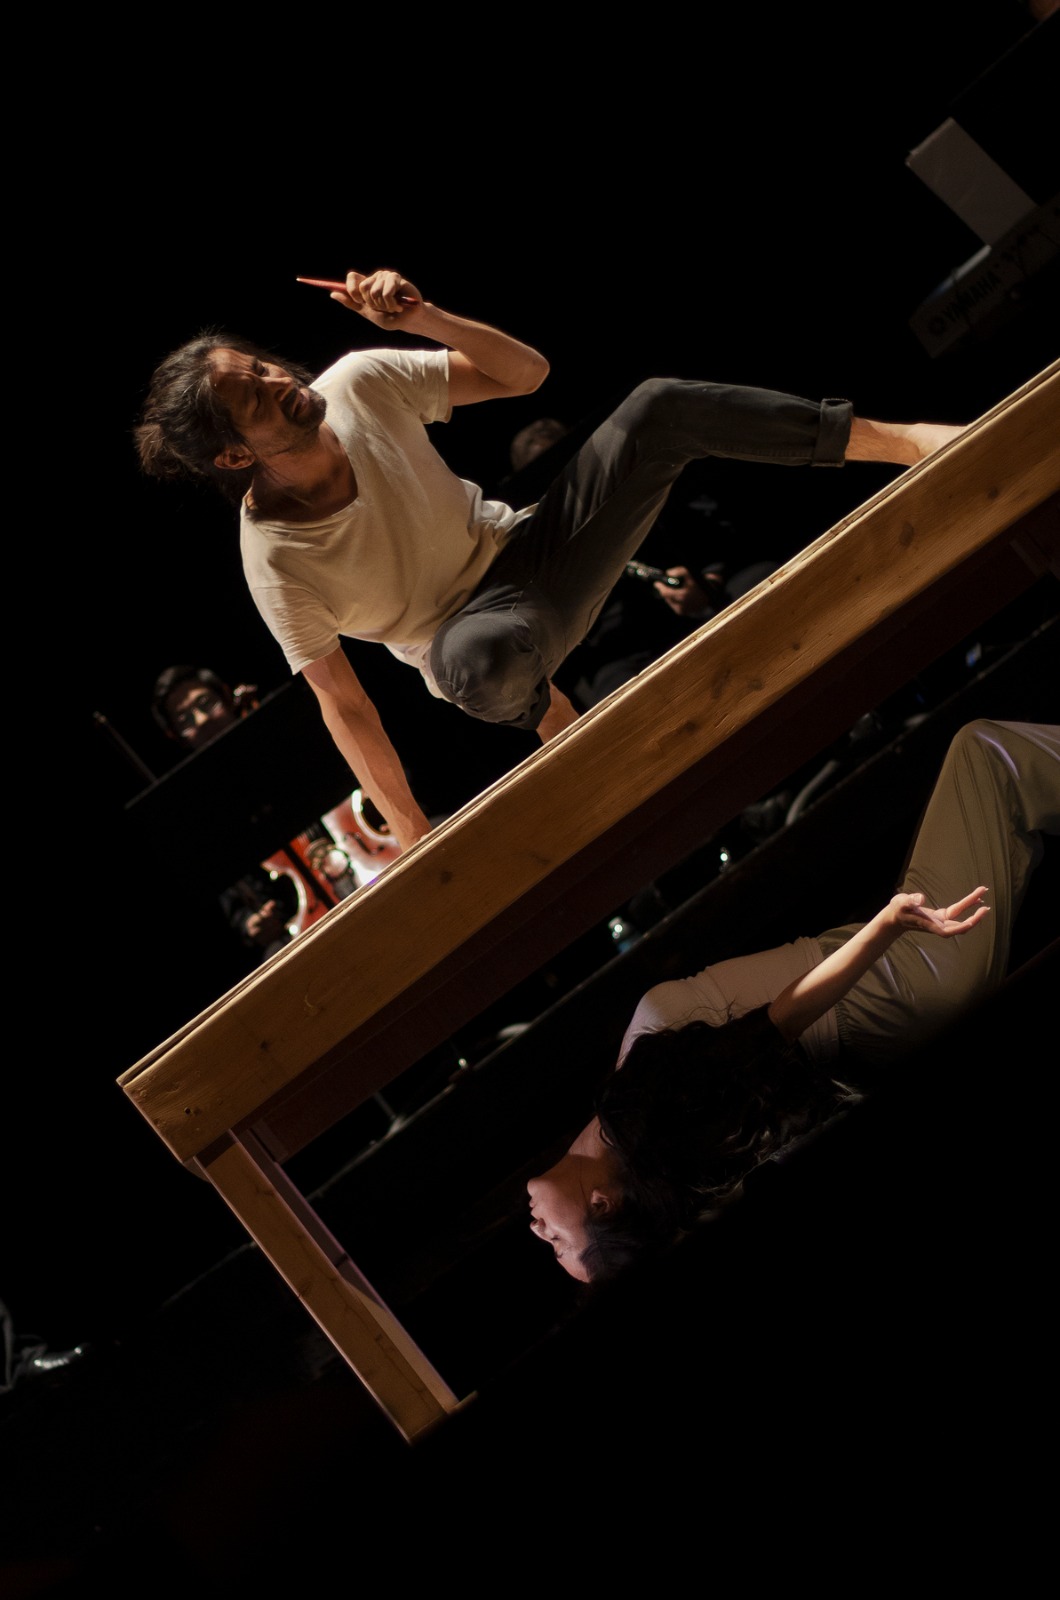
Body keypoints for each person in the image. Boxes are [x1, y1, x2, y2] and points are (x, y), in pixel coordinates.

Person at [134, 266, 963, 857]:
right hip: (480, 641)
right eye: (256, 395)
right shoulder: (273, 558)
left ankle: (908, 443)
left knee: (659, 406)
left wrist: (425, 318)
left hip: (536, 544)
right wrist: (414, 838)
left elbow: (526, 374)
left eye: (263, 366)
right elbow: (345, 705)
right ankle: (560, 722)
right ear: (235, 456)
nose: (279, 379)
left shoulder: (357, 383)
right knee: (473, 660)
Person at [526, 719, 1060, 1282]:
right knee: (990, 757)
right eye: (559, 1242)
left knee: (1008, 792)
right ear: (602, 1204)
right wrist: (886, 926)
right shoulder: (674, 1126)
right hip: (895, 987)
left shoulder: (634, 1113)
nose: (538, 1230)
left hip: (889, 987)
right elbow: (780, 1021)